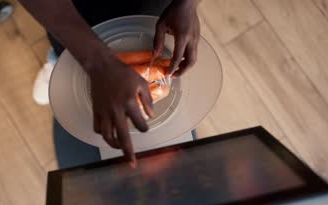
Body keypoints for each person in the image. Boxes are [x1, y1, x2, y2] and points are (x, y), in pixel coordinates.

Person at [20, 0, 201, 165]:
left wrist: (188, 4)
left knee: (147, 40)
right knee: (69, 50)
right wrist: (97, 64)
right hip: (72, 10)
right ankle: (58, 62)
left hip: (156, 10)